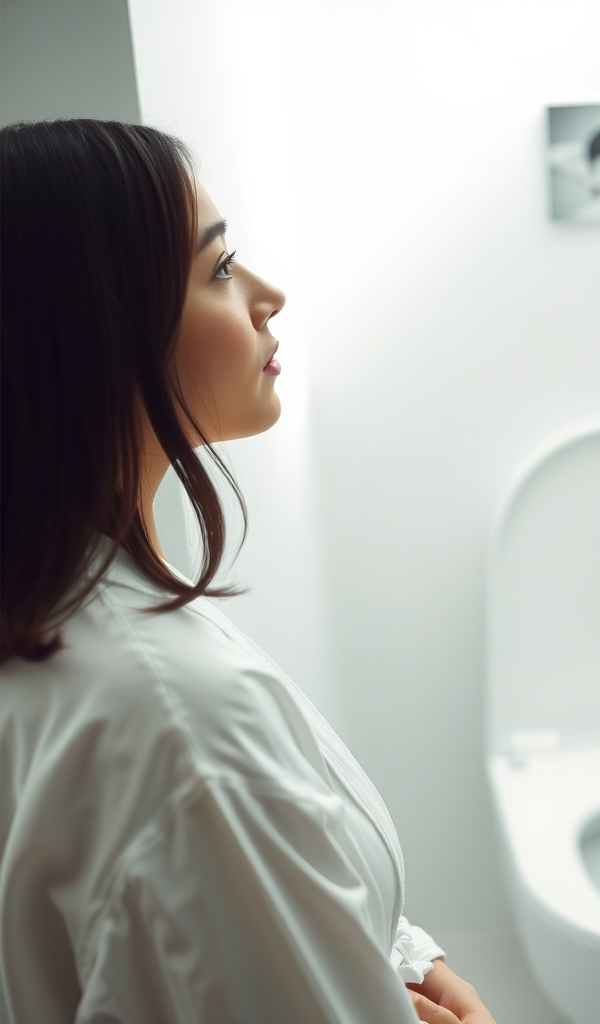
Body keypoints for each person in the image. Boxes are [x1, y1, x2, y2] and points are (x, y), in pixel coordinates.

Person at [0, 119, 497, 1024]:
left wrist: (397, 962)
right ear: (96, 332)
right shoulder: (182, 728)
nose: (268, 294)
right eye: (221, 269)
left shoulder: (67, 606)